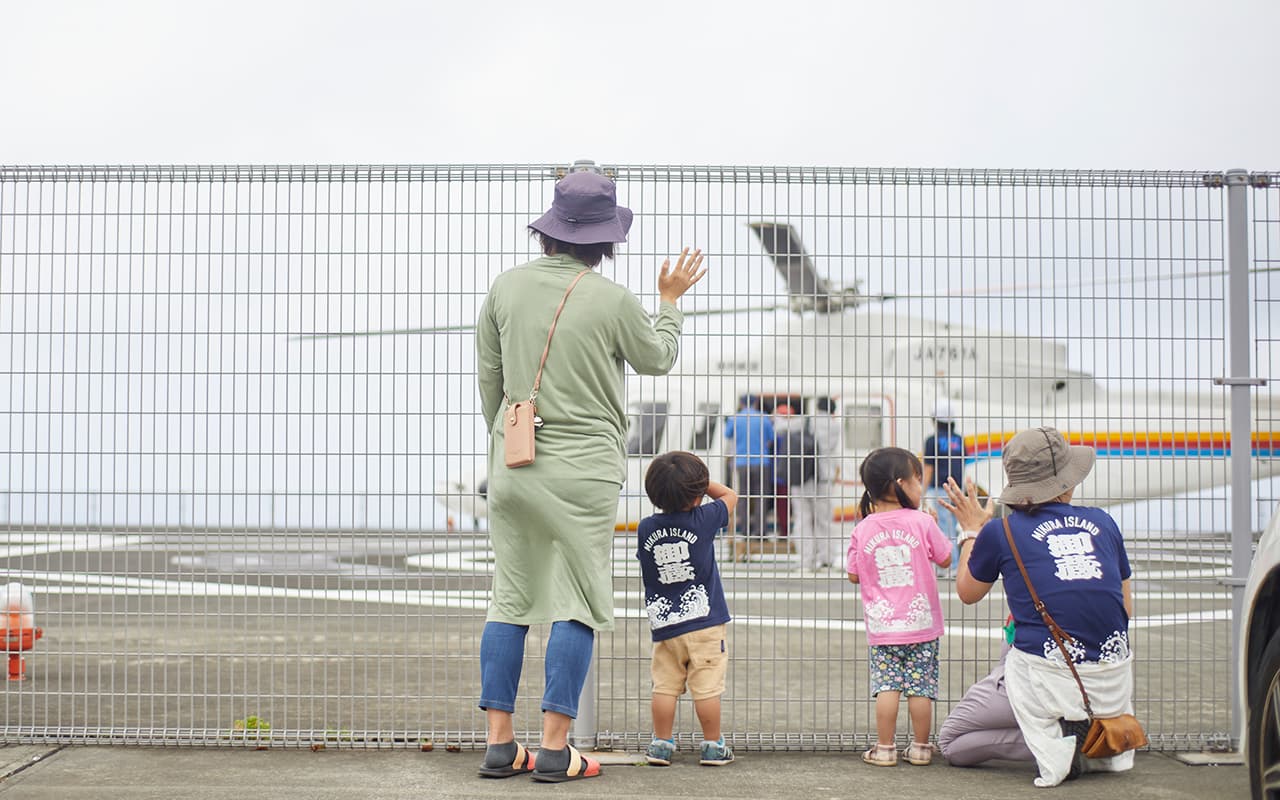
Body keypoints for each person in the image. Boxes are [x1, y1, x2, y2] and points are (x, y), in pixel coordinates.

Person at [474, 170, 706, 783]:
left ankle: (500, 744)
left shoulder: (505, 287)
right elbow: (657, 358)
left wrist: (506, 443)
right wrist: (670, 304)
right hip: (586, 472)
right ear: (605, 242)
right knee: (577, 602)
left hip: (514, 460)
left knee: (510, 599)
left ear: (550, 227)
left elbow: (491, 382)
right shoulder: (611, 299)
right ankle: (556, 748)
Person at [942, 426, 1136, 788]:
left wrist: (971, 531)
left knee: (952, 740)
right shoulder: (1104, 523)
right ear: (1066, 483)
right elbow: (1123, 607)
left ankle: (1062, 743)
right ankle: (1077, 732)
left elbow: (967, 592)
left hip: (1044, 677)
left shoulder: (1001, 531)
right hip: (1110, 683)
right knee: (1018, 622)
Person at [846, 447, 952, 767]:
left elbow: (853, 575)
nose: (921, 486)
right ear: (903, 483)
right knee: (921, 688)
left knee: (887, 686)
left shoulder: (863, 528)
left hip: (883, 626)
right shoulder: (921, 521)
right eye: (918, 480)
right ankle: (921, 748)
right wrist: (933, 525)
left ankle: (885, 748)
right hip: (921, 623)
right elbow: (946, 558)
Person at [636, 451, 739, 768]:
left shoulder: (645, 528)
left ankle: (661, 744)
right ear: (696, 495)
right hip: (705, 623)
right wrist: (701, 486)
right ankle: (712, 745)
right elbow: (730, 496)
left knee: (665, 686)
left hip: (665, 626)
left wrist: (688, 488)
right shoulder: (704, 520)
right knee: (706, 687)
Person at [937, 617, 1036, 766]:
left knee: (948, 742)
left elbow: (968, 596)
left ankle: (1059, 743)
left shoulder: (1025, 602)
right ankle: (1066, 739)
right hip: (1072, 687)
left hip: (1019, 686)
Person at [773, 405, 823, 570]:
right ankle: (822, 557)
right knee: (820, 520)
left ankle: (806, 559)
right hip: (818, 478)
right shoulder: (830, 426)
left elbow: (779, 428)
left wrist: (775, 417)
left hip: (798, 478)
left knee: (802, 519)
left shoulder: (803, 423)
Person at [723, 395, 774, 541]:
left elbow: (728, 434)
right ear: (756, 403)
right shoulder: (763, 418)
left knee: (744, 497)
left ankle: (745, 531)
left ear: (741, 403)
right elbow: (771, 437)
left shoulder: (735, 418)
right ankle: (760, 532)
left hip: (741, 462)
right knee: (761, 497)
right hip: (761, 462)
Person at [922, 400, 966, 569]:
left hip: (940, 488)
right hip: (957, 488)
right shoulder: (959, 440)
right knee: (954, 525)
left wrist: (921, 492)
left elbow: (928, 468)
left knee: (943, 527)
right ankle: (956, 562)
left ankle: (951, 565)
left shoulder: (932, 441)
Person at [807, 397, 844, 569]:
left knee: (806, 518)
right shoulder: (836, 426)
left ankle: (809, 557)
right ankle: (828, 556)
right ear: (832, 410)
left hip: (806, 475)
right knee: (825, 519)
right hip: (826, 475)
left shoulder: (809, 421)